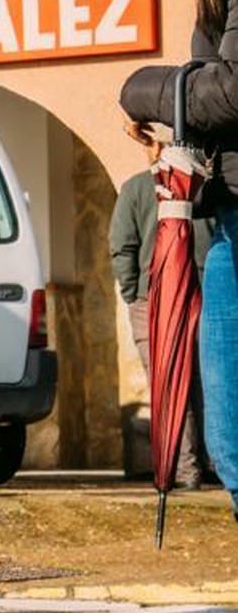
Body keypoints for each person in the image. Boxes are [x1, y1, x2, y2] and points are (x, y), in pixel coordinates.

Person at [119, 0, 238, 522]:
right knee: (228, 442)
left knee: (231, 439)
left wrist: (141, 89)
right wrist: (181, 121)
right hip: (226, 218)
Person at [111, 128, 213, 486]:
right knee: (204, 381)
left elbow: (121, 246)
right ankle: (212, 463)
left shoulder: (136, 188)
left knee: (169, 383)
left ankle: (185, 469)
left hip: (153, 298)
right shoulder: (204, 190)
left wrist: (133, 293)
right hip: (201, 294)